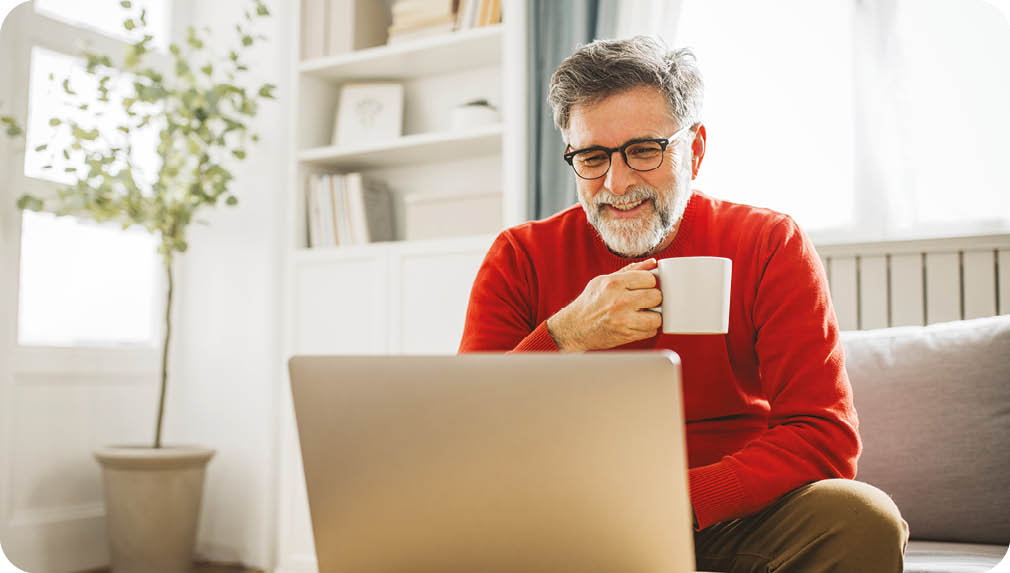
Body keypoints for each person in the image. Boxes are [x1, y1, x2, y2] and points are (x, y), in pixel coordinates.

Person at [458, 36, 909, 572]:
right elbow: (468, 431)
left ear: (693, 149)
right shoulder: (519, 256)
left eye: (644, 151)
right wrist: (564, 335)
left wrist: (677, 500)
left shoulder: (769, 242)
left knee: (863, 518)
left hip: (728, 512)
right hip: (566, 513)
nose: (616, 183)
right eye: (592, 157)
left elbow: (824, 433)